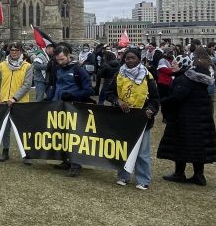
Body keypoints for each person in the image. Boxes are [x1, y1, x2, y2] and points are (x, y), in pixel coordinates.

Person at [157, 47, 216, 186]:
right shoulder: (201, 78)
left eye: (175, 64)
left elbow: (177, 98)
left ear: (182, 64)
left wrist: (164, 102)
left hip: (185, 117)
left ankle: (179, 173)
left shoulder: (184, 80)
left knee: (181, 145)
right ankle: (199, 175)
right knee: (198, 146)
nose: (172, 66)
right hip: (201, 117)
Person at [103, 48, 160, 190]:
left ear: (139, 59)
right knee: (123, 149)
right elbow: (109, 93)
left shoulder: (148, 76)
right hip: (123, 118)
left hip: (141, 119)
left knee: (142, 153)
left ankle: (143, 179)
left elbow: (155, 99)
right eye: (127, 58)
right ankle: (123, 176)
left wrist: (151, 110)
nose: (129, 60)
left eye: (132, 58)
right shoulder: (119, 74)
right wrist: (118, 101)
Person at [47, 45, 95, 177]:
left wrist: (73, 95)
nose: (60, 62)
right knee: (61, 135)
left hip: (74, 108)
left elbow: (89, 90)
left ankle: (75, 164)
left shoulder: (79, 70)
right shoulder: (57, 69)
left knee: (74, 137)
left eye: (62, 59)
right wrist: (49, 98)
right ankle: (65, 161)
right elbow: (55, 86)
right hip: (59, 106)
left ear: (69, 56)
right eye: (57, 60)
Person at [0, 42, 33, 162]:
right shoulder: (2, 65)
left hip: (21, 102)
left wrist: (14, 98)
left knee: (23, 129)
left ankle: (26, 154)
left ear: (21, 51)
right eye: (12, 50)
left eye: (16, 50)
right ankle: (5, 151)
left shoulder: (27, 66)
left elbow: (27, 85)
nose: (14, 52)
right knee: (5, 128)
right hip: (4, 101)